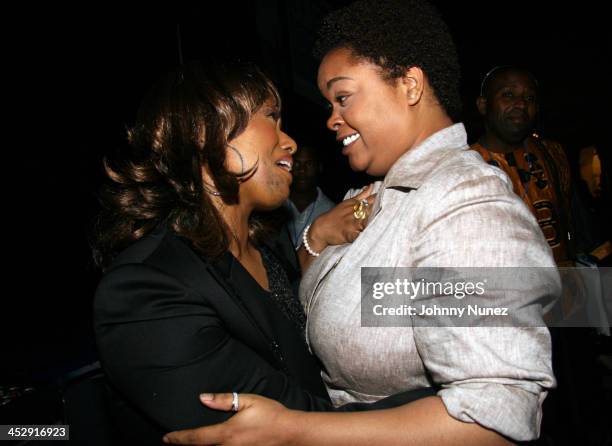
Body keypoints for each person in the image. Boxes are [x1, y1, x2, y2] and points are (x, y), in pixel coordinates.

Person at [164, 0, 558, 445]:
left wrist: (296, 432)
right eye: (328, 103)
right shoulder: (370, 197)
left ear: (409, 85)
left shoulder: (467, 205)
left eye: (343, 96)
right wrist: (317, 236)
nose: (331, 119)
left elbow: (492, 419)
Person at [92, 59, 375, 443]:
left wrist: (317, 238)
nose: (289, 142)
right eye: (270, 117)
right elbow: (293, 420)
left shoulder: (268, 246)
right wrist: (444, 418)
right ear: (208, 133)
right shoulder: (148, 291)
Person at [471, 66, 574, 266]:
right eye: (508, 95)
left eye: (529, 98)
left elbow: (573, 222)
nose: (520, 104)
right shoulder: (465, 167)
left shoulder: (552, 154)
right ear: (483, 105)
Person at [283, 143, 335, 248]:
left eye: (309, 164)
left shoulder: (331, 211)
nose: (302, 170)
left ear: (319, 167)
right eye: (296, 164)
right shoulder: (274, 206)